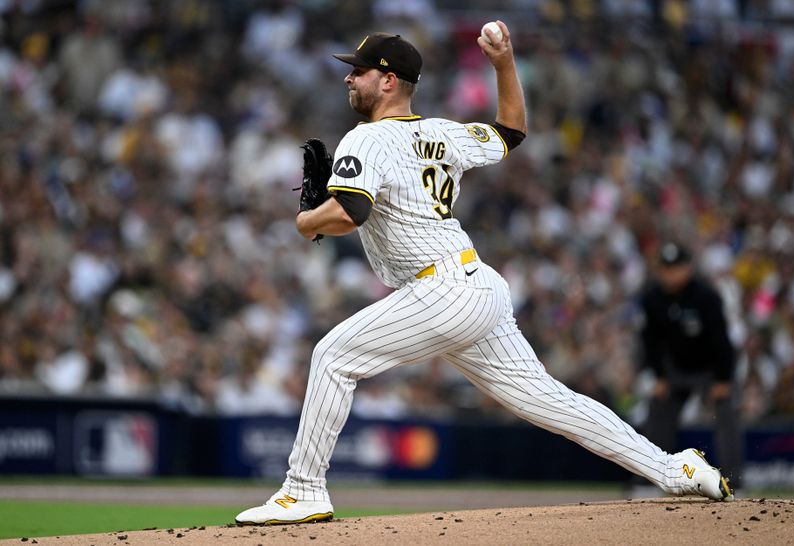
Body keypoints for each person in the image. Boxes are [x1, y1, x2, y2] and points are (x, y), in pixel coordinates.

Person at [235, 23, 734, 526]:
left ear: (388, 80)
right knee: (548, 400)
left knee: (333, 356)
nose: (349, 79)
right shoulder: (443, 132)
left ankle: (303, 491)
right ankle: (675, 470)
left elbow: (349, 214)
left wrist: (305, 220)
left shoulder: (367, 139)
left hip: (443, 289)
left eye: (358, 71)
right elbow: (512, 130)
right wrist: (504, 64)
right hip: (475, 287)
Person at [639, 241, 742, 487]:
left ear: (688, 268)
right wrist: (660, 376)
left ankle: (734, 480)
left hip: (710, 368)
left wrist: (723, 379)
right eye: (665, 268)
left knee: (727, 412)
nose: (670, 274)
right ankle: (650, 480)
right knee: (658, 409)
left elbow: (723, 341)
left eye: (676, 268)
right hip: (677, 370)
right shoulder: (653, 298)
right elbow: (650, 342)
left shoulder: (706, 296)